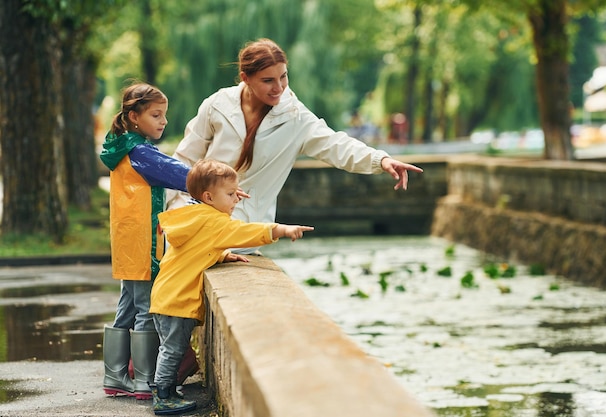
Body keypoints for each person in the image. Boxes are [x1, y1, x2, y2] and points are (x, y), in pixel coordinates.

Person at [167, 38, 423, 255]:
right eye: (268, 80)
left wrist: (381, 160)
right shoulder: (217, 105)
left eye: (283, 76)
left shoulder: (295, 117)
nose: (278, 87)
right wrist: (165, 210)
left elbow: (336, 145)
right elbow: (184, 159)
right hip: (192, 220)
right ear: (245, 78)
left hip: (241, 231)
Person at [149, 158, 313, 415]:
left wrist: (221, 255)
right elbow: (246, 232)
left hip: (164, 294)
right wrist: (281, 229)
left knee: (168, 347)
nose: (237, 199)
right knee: (172, 349)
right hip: (177, 300)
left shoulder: (193, 216)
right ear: (208, 197)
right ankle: (164, 396)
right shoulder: (215, 222)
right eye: (230, 194)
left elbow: (193, 250)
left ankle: (164, 388)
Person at [99, 82, 195, 400]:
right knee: (146, 307)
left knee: (128, 305)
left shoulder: (124, 146)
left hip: (127, 239)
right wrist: (214, 180)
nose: (163, 121)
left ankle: (115, 376)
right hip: (142, 240)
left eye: (164, 115)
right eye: (156, 115)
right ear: (134, 116)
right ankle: (143, 380)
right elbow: (179, 173)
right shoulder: (139, 151)